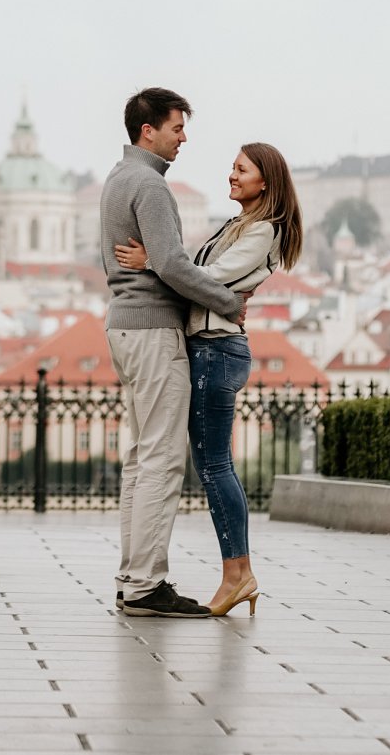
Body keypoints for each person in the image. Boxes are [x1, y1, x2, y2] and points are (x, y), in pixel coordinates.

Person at [115, 142, 303, 617]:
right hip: (208, 345)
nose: (232, 176)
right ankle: (236, 574)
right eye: (233, 168)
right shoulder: (239, 225)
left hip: (218, 349)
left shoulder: (263, 231)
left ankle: (238, 575)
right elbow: (208, 281)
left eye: (241, 170)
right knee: (212, 464)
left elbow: (211, 278)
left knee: (215, 466)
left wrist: (154, 261)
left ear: (267, 180)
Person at [101, 88, 246, 618]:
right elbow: (174, 264)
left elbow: (159, 262)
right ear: (149, 131)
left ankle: (130, 577)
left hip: (123, 326)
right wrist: (228, 300)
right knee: (162, 460)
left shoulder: (118, 179)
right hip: (154, 332)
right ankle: (147, 584)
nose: (184, 138)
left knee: (141, 459)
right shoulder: (151, 185)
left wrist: (158, 263)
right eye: (177, 128)